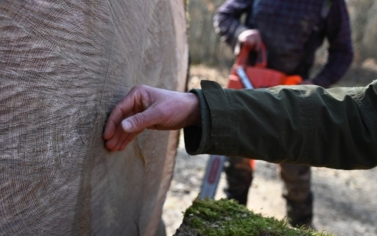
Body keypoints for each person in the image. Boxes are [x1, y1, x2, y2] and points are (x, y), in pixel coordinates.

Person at [212, 0, 354, 227]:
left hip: (295, 97)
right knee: (237, 167)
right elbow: (224, 16)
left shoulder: (330, 1)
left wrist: (314, 87)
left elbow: (343, 53)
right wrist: (240, 33)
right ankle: (231, 230)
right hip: (248, 89)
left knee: (297, 177)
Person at [103, 81, 377, 169]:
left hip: (299, 88)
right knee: (239, 173)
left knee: (297, 184)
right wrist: (199, 108)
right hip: (269, 96)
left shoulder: (330, 1)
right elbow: (355, 119)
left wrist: (319, 79)